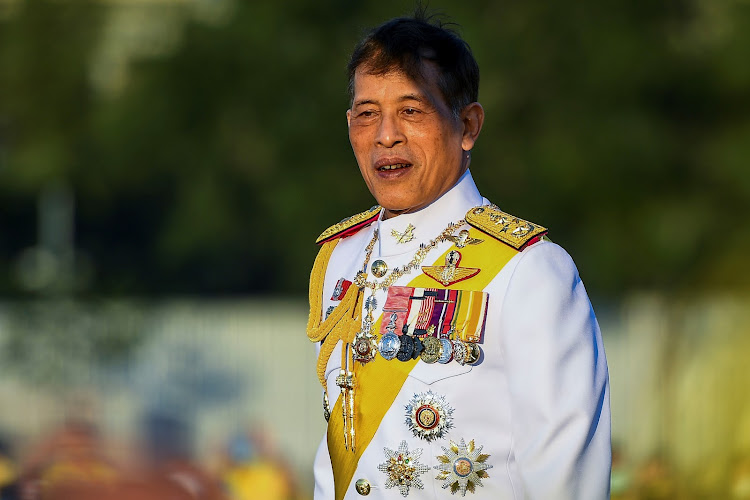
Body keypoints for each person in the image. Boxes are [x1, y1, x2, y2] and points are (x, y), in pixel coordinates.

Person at [306, 9, 611, 499]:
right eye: (367, 113)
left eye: (412, 111)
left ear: (467, 125)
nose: (386, 135)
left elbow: (564, 477)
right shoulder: (342, 258)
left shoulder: (529, 269)